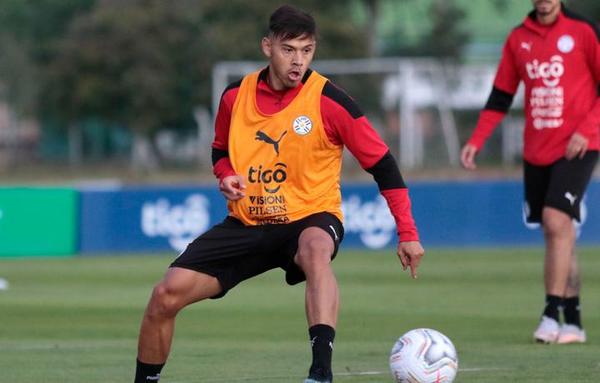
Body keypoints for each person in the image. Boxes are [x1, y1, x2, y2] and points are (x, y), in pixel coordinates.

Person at [134, 5, 424, 383]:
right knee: (164, 296)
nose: (298, 60)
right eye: (289, 49)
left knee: (315, 250)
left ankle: (320, 373)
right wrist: (225, 176)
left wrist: (408, 233)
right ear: (267, 46)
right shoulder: (234, 97)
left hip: (310, 216)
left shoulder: (330, 101)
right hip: (248, 223)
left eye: (307, 50)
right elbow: (220, 151)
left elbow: (384, 165)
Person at [461, 0, 599, 344]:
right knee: (559, 231)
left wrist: (588, 128)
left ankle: (551, 313)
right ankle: (574, 322)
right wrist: (477, 140)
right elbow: (501, 95)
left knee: (556, 220)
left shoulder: (582, 32)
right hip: (537, 151)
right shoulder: (517, 39)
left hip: (579, 145)